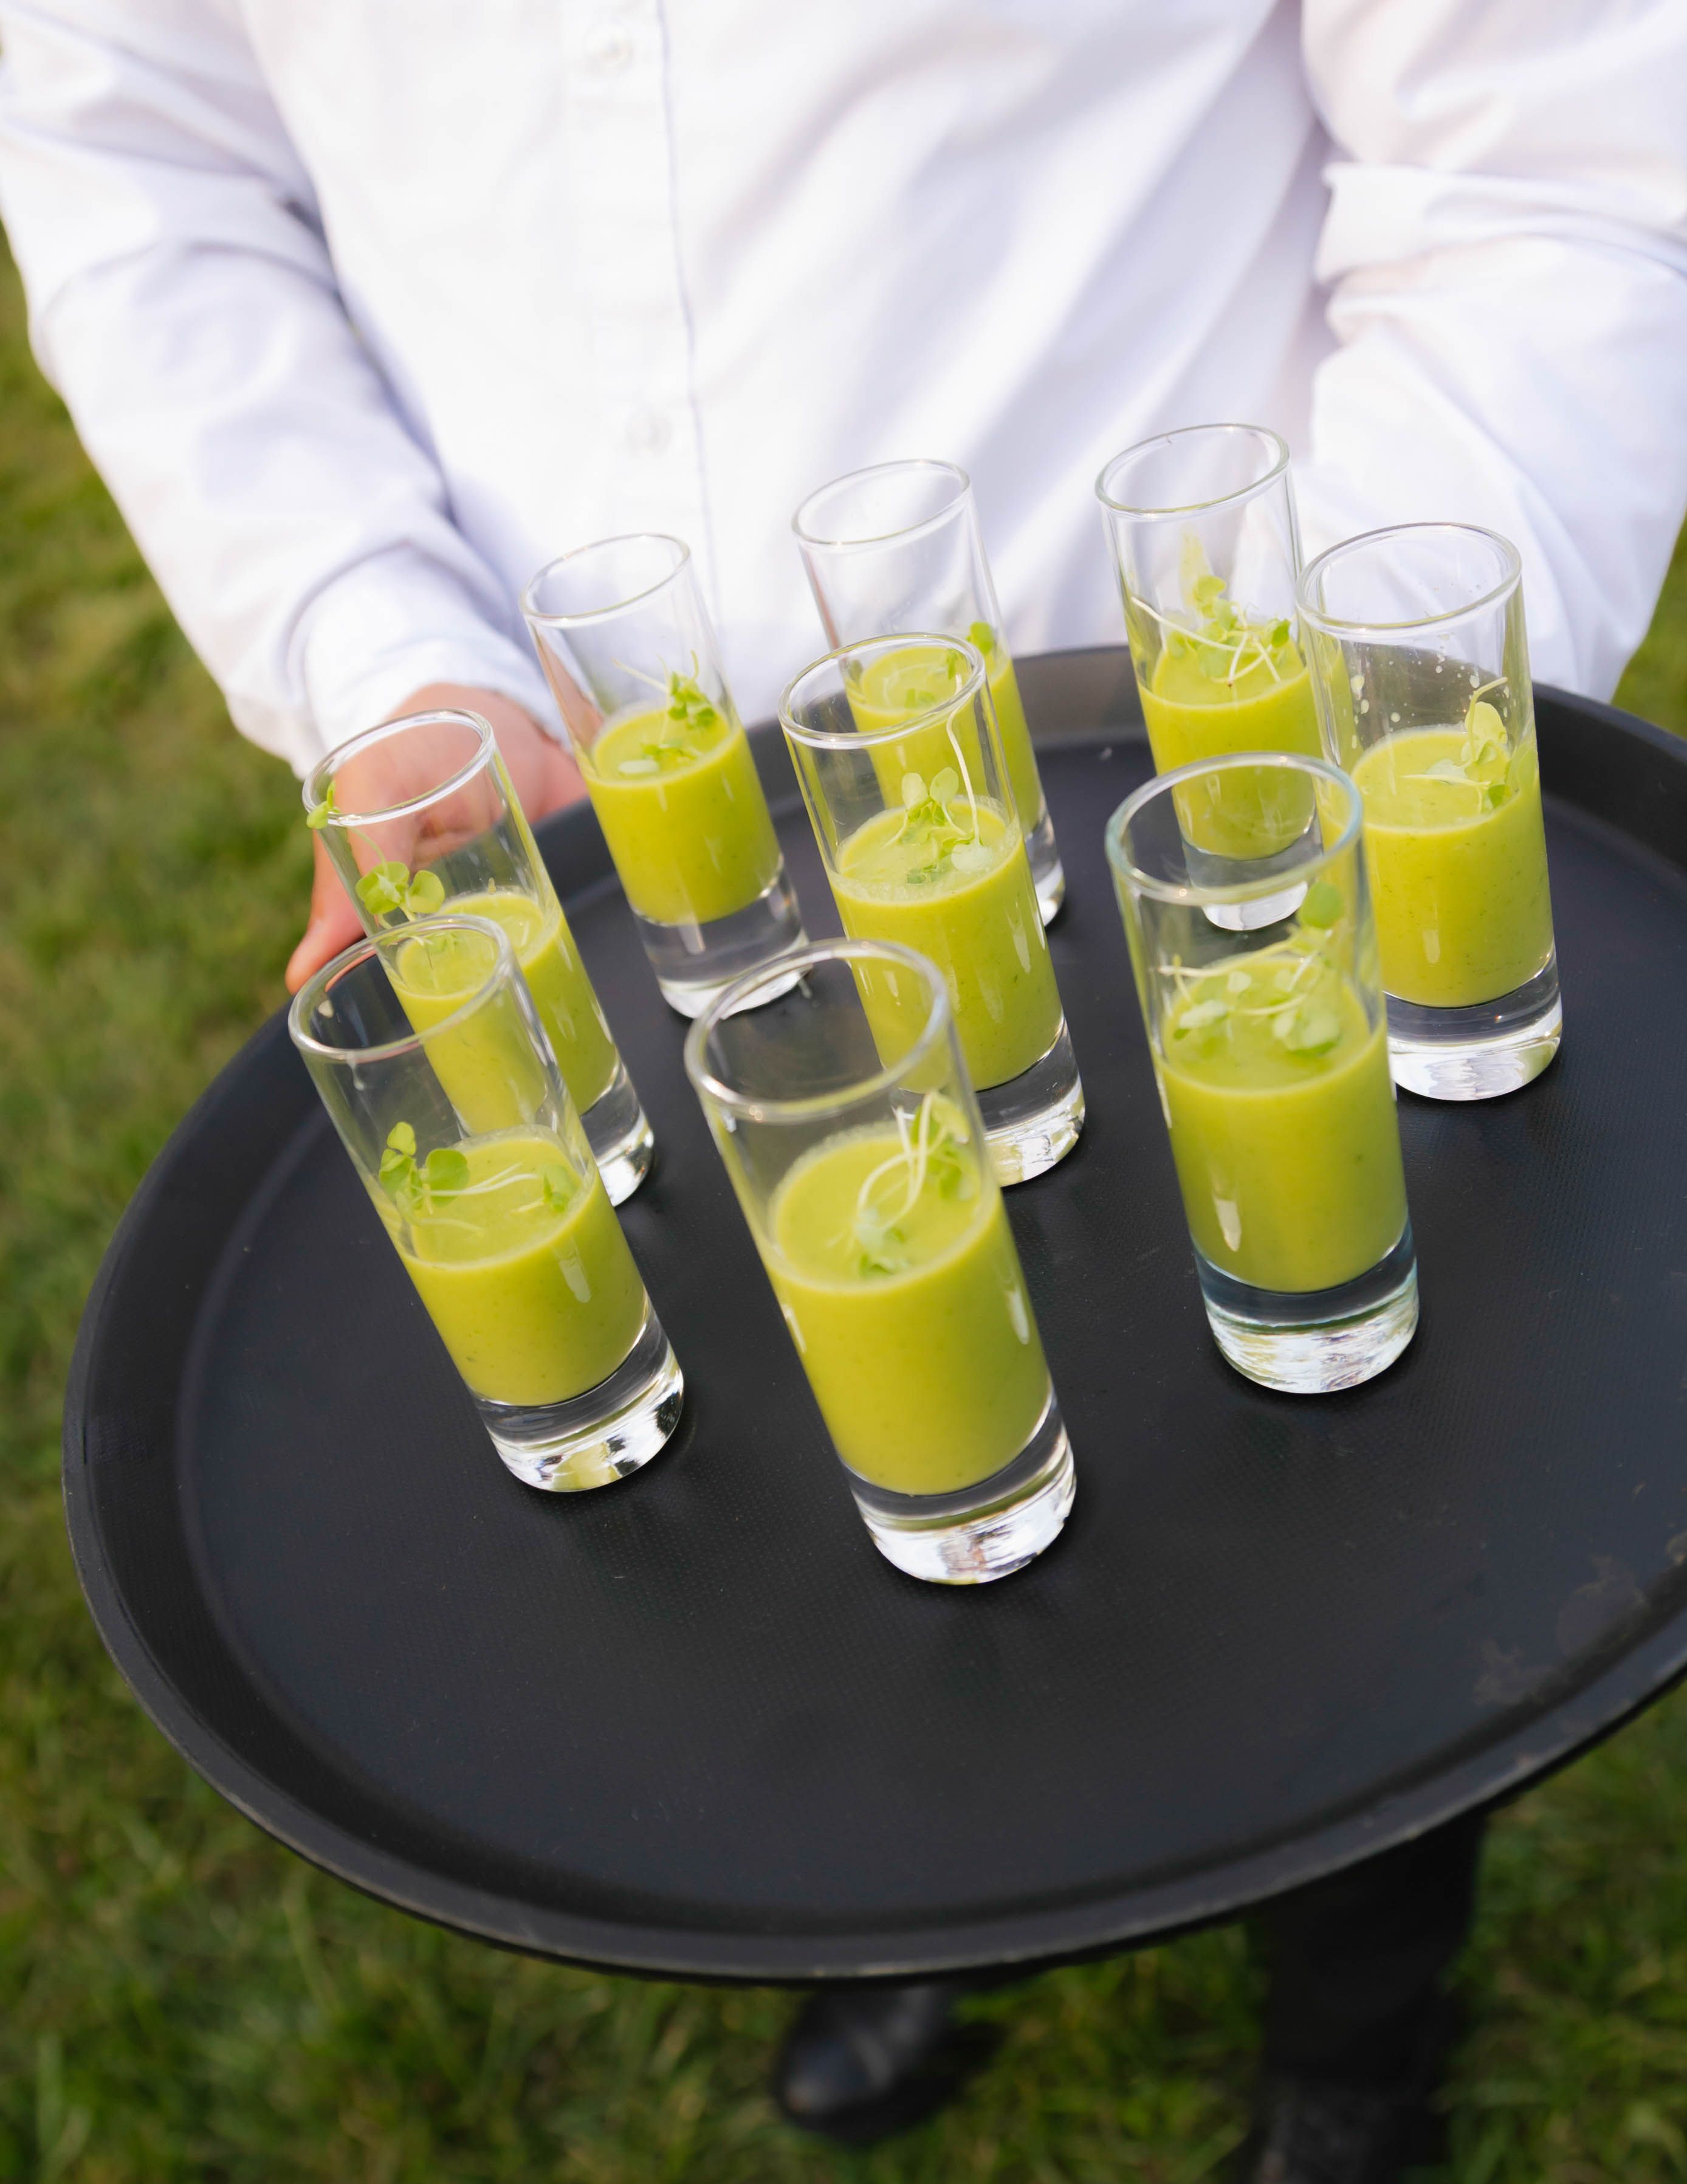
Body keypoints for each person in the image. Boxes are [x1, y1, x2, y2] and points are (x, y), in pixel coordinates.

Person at [1, 4, 1683, 2176]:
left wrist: (1337, 757)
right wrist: (381, 651)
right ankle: (915, 1914)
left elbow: (1551, 156)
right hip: (620, 867)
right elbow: (135, 154)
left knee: (1337, 1508)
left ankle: (1353, 2027)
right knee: (844, 1483)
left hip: (1171, 793)